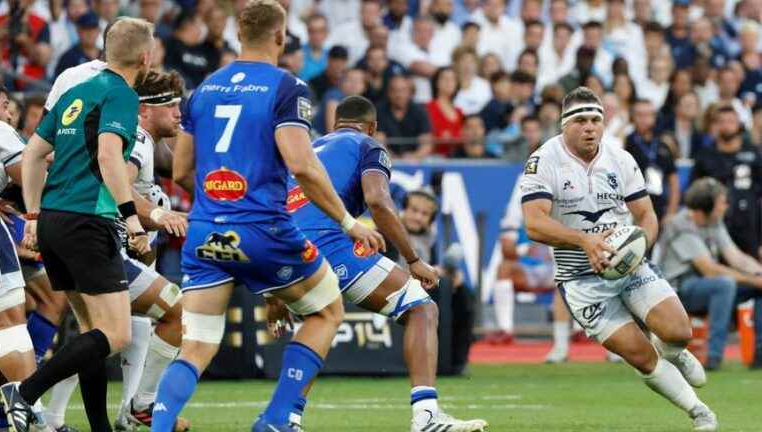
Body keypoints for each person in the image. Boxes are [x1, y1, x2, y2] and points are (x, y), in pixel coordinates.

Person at [159, 2, 385, 431]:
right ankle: (277, 419)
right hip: (265, 228)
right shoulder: (287, 88)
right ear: (280, 37)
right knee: (326, 311)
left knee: (197, 346)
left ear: (238, 37)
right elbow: (301, 164)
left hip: (206, 230)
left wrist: (218, 204)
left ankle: (157, 426)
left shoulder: (203, 89)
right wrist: (348, 221)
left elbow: (182, 170)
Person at [284, 95, 487, 432]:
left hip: (285, 247)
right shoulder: (368, 146)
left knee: (318, 321)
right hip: (327, 243)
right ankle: (426, 417)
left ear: (335, 123)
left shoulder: (310, 147)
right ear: (374, 127)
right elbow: (377, 200)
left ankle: (286, 418)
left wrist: (274, 294)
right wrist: (414, 259)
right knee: (421, 308)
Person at [519, 87, 717, 431]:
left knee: (679, 331)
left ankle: (674, 350)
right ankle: (700, 412)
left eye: (596, 120)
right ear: (564, 125)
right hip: (581, 280)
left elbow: (647, 214)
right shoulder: (543, 161)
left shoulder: (621, 158)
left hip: (628, 265)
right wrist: (585, 241)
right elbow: (534, 223)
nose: (589, 127)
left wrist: (638, 248)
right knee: (641, 356)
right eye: (580, 120)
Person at [4, 17, 155, 432]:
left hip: (53, 221)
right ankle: (24, 393)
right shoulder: (121, 94)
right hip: (88, 222)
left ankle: (98, 428)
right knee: (117, 333)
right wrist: (133, 220)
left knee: (92, 331)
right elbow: (109, 157)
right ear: (146, 56)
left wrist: (33, 215)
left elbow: (33, 154)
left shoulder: (77, 91)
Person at [656, 178, 762, 370]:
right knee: (724, 284)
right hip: (677, 291)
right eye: (722, 202)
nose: (726, 206)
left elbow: (736, 256)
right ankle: (713, 357)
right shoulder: (680, 226)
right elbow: (709, 269)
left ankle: (760, 355)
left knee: (748, 288)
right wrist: (754, 280)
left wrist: (759, 273)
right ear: (705, 207)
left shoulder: (714, 221)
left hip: (704, 284)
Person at [0, 83, 50, 430]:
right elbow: (30, 172)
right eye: (3, 105)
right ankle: (36, 419)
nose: (9, 113)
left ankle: (8, 415)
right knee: (9, 320)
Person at [691, 106, 762, 259]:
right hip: (714, 224)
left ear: (739, 124)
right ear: (714, 125)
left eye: (731, 121)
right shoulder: (705, 156)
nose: (726, 125)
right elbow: (694, 193)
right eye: (721, 121)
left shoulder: (754, 154)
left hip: (749, 224)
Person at [624, 99, 680, 223]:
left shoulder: (665, 142)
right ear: (632, 116)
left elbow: (674, 180)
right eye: (640, 114)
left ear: (654, 116)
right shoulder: (626, 142)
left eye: (648, 114)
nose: (644, 119)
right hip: (634, 205)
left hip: (660, 204)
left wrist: (671, 211)